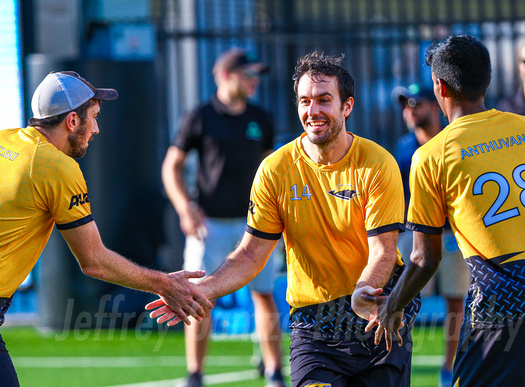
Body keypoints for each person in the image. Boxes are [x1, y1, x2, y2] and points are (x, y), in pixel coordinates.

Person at [149, 51, 421, 387]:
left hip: (378, 316)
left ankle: (272, 368)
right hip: (314, 326)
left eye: (324, 100)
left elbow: (382, 249)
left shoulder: (377, 163)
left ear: (346, 106)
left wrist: (364, 289)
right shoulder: (276, 169)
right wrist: (199, 290)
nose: (313, 111)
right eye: (305, 101)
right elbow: (251, 254)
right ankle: (197, 372)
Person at [361, 35, 525, 386]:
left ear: (440, 87)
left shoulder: (432, 156)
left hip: (503, 294)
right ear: (489, 79)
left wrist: (392, 305)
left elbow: (424, 259)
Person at [0, 71, 213, 385]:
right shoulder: (58, 167)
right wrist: (164, 284)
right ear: (72, 121)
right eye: (94, 117)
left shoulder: (6, 140)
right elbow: (94, 261)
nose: (96, 129)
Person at [161, 48, 285, 387]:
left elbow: (272, 169)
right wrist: (186, 207)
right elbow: (171, 166)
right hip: (210, 225)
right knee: (200, 297)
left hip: (256, 226)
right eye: (248, 75)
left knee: (264, 294)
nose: (254, 81)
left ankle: (274, 372)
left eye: (256, 76)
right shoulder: (200, 115)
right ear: (226, 76)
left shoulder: (262, 117)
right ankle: (195, 375)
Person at [393, 84, 470, 387]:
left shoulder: (452, 139)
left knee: (456, 303)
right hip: (414, 236)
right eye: (405, 105)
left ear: (434, 105)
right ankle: (399, 364)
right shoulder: (403, 145)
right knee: (404, 300)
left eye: (416, 104)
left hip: (451, 236)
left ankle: (449, 369)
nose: (409, 110)